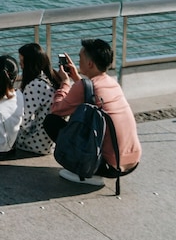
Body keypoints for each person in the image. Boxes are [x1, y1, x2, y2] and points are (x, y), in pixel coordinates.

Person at [45, 39, 141, 185]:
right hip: (131, 163)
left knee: (51, 121)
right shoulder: (112, 83)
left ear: (90, 64)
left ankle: (85, 173)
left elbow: (57, 109)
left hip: (107, 166)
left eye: (80, 58)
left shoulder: (83, 87)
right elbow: (89, 92)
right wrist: (77, 78)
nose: (78, 61)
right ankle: (91, 168)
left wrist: (65, 83)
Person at [14, 43, 65, 155]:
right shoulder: (51, 78)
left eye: (22, 61)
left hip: (36, 142)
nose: (20, 64)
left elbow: (24, 121)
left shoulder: (34, 86)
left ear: (30, 63)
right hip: (51, 141)